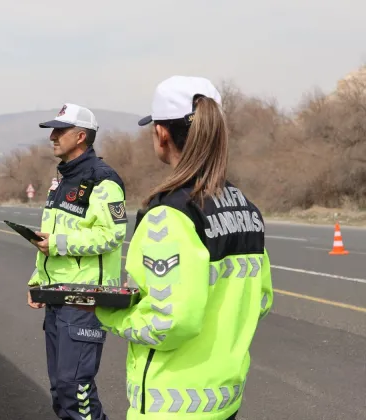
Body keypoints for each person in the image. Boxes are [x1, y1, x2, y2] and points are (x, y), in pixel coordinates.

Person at [86, 76, 273, 420]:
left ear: (161, 134)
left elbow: (168, 322)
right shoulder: (247, 208)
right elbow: (260, 300)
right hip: (223, 399)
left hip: (172, 404)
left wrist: (109, 313)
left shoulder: (169, 214)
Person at [26, 103, 127, 420]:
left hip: (86, 298)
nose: (52, 137)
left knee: (76, 389)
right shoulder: (61, 181)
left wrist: (56, 244)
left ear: (81, 136)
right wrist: (38, 282)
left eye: (60, 131)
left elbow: (111, 235)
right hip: (57, 294)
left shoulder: (104, 180)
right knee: (61, 390)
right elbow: (48, 239)